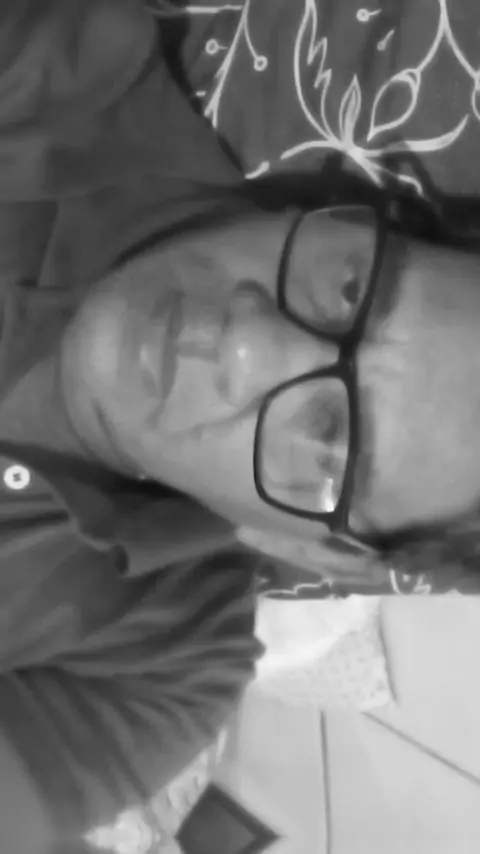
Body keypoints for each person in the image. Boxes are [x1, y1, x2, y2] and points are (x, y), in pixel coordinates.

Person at [2, 0, 480, 851]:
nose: (248, 345)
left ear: (312, 550)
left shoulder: (156, 669)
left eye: (326, 441)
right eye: (348, 288)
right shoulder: (62, 78)